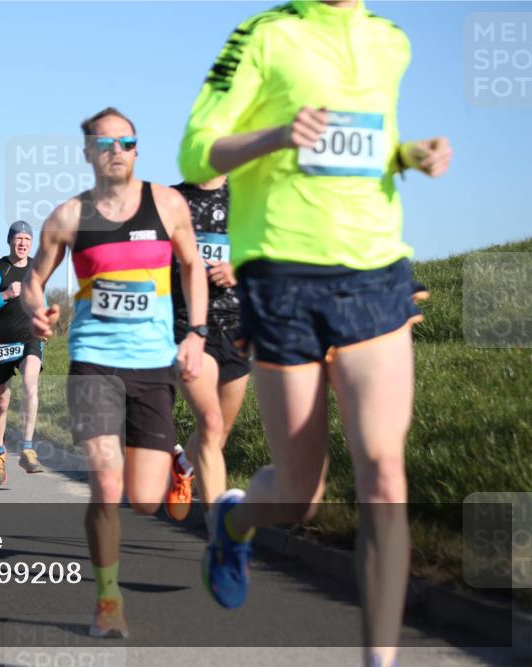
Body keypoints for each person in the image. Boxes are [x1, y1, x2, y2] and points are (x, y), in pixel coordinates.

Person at [177, 2, 452, 665]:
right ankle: (235, 521)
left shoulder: (389, 41)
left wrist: (408, 153)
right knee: (302, 494)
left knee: (386, 474)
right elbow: (196, 146)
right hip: (282, 277)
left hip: (376, 272)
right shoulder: (264, 35)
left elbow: (368, 142)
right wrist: (275, 136)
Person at [22, 107, 207, 638]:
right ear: (87, 154)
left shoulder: (168, 203)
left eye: (126, 141)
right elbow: (36, 277)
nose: (117, 151)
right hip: (94, 361)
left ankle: (175, 464)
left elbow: (192, 265)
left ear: (137, 149)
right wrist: (38, 309)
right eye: (105, 144)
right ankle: (108, 600)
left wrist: (195, 333)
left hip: (152, 363)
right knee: (106, 485)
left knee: (145, 500)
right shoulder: (68, 217)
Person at [163, 177, 250, 528]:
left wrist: (238, 267)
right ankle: (220, 537)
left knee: (220, 433)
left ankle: (183, 467)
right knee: (210, 422)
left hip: (236, 326)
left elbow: (267, 251)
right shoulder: (171, 200)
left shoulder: (247, 197)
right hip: (186, 325)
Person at [0, 220, 45, 484]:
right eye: (18, 238)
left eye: (27, 239)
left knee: (30, 386)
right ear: (9, 241)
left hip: (29, 340)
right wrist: (5, 295)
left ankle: (27, 448)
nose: (23, 243)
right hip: (0, 343)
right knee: (1, 402)